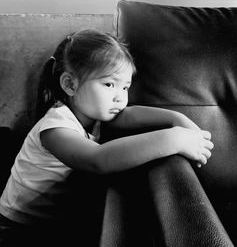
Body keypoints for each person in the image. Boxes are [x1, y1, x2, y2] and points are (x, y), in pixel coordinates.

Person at [0, 29, 214, 246]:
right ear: (70, 85)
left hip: (54, 220)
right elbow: (98, 159)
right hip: (19, 226)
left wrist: (177, 118)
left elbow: (131, 114)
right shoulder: (55, 127)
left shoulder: (94, 113)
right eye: (109, 84)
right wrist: (174, 139)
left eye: (125, 87)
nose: (120, 97)